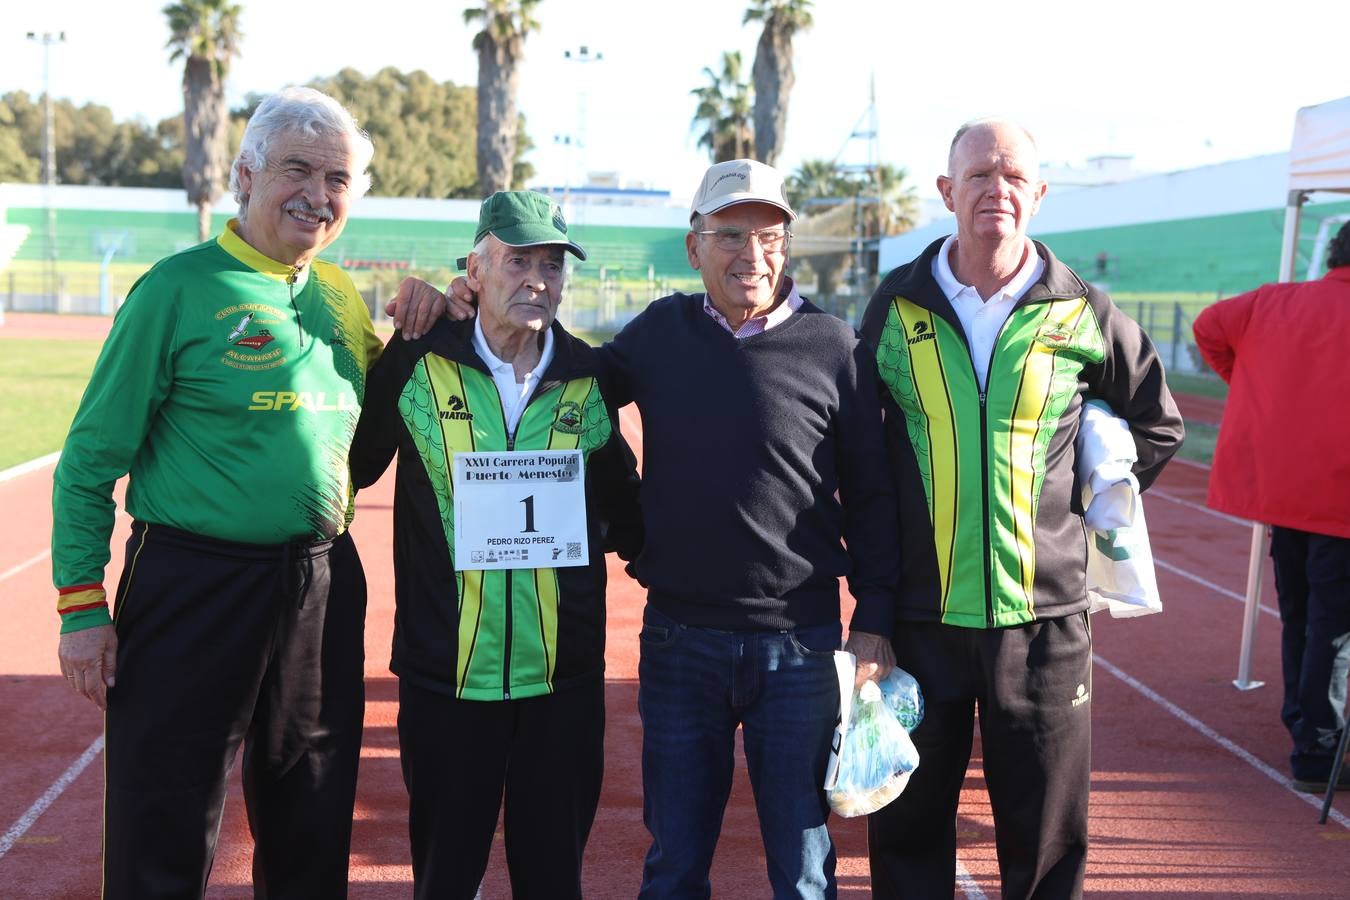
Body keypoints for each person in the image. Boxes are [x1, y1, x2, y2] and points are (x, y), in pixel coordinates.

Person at [390, 158, 900, 898]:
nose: (749, 254)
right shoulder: (659, 333)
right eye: (728, 234)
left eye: (767, 235)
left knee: (802, 868)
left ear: (787, 245)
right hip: (679, 647)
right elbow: (561, 377)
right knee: (673, 864)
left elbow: (875, 495)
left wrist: (876, 619)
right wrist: (454, 302)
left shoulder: (837, 348)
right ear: (694, 247)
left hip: (801, 644)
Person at [51, 86, 382, 898]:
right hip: (193, 582)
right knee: (163, 816)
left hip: (318, 580)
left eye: (337, 178)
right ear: (245, 174)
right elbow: (90, 459)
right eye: (297, 170)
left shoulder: (340, 296)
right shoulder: (177, 289)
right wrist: (82, 608)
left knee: (310, 815)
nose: (318, 194)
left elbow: (362, 452)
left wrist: (435, 320)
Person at [858, 119, 1184, 899]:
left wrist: (1090, 503)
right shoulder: (896, 306)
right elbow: (858, 449)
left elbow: (1157, 422)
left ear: (1037, 194)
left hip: (1044, 622)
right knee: (904, 827)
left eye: (1012, 177)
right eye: (977, 176)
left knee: (1044, 841)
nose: (994, 191)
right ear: (947, 192)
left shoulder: (1083, 310)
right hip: (920, 619)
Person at [348, 190, 642, 898]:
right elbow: (351, 468)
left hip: (559, 684)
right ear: (474, 271)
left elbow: (625, 510)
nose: (538, 279)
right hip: (445, 679)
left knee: (553, 880)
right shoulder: (417, 360)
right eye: (518, 261)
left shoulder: (589, 377)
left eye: (552, 264)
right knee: (445, 878)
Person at [1193, 222, 1350, 794]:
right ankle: (1317, 747)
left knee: (1304, 615)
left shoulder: (1272, 301)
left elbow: (1207, 327)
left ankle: (1306, 725)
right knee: (1332, 625)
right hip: (1339, 496)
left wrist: (1249, 380)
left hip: (1284, 489)